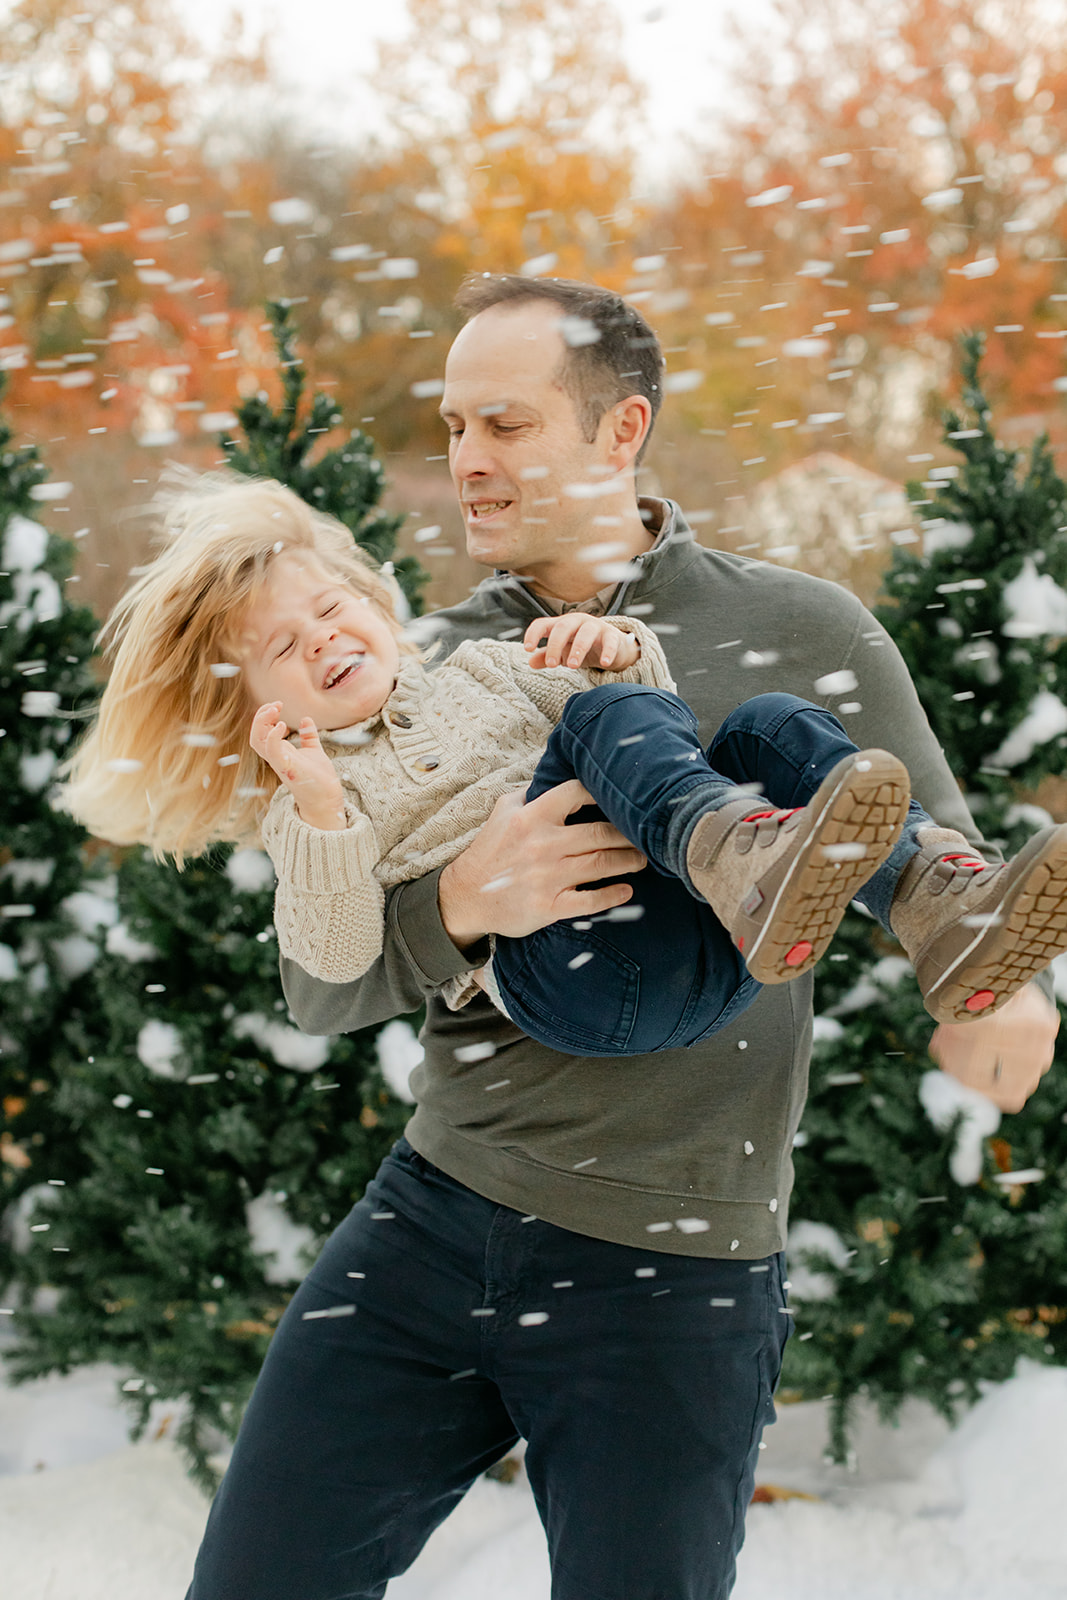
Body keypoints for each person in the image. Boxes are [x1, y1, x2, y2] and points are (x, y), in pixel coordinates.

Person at [179, 279, 1064, 1600]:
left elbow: (934, 854)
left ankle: (742, 859)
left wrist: (1010, 1002)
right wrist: (465, 900)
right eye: (451, 424)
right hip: (435, 1218)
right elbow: (323, 987)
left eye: (503, 423)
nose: (464, 457)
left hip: (677, 1267)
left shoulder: (802, 627)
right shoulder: (429, 658)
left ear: (618, 431)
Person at [61, 473, 1066, 1061]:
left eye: (328, 611)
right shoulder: (314, 801)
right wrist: (321, 805)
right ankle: (741, 862)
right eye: (284, 649)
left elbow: (657, 735)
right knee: (608, 716)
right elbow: (327, 966)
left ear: (373, 603)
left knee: (766, 723)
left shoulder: (493, 665)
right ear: (260, 706)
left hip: (718, 952)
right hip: (572, 981)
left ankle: (933, 909)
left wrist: (617, 649)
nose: (321, 641)